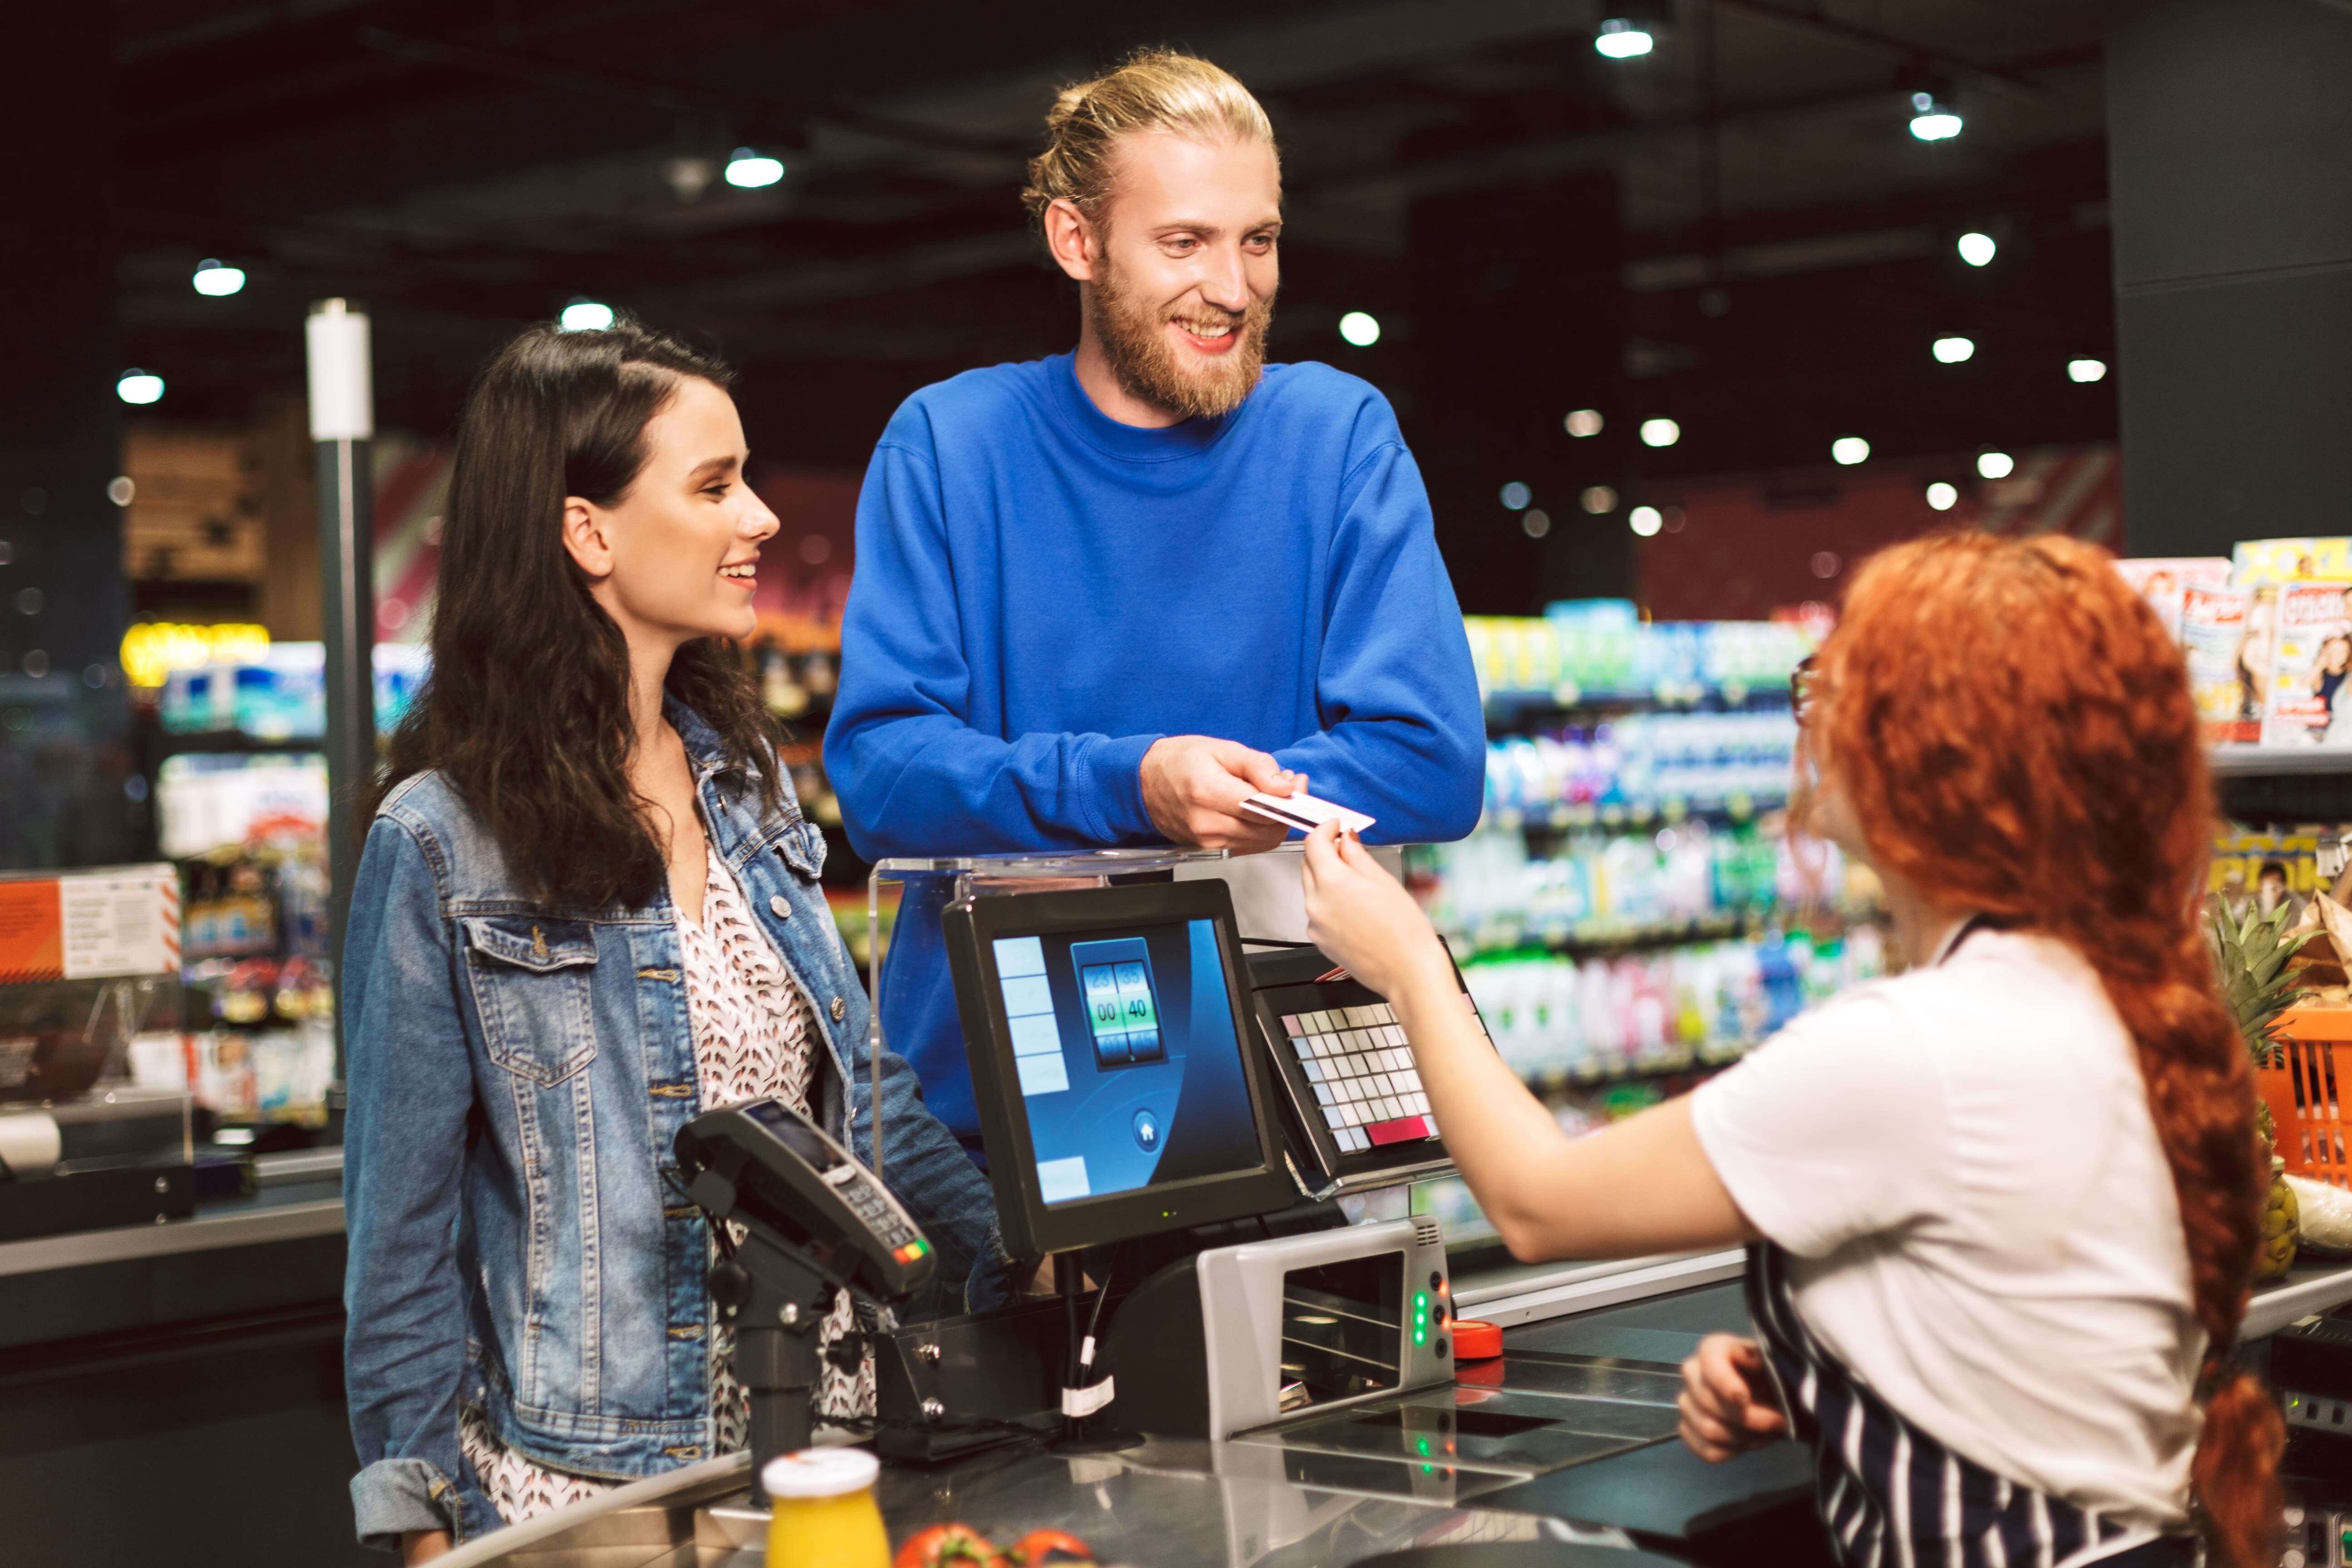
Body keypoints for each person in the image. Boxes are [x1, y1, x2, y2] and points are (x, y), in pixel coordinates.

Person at [1298, 533, 2282, 1568]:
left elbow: (1537, 1202)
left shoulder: (1916, 1048)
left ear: (1932, 763)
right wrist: (1836, 1377)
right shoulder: (2095, 989)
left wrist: (1409, 963)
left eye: (1841, 692)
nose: (1811, 722)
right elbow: (2034, 1321)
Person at [340, 322, 1016, 1562]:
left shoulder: (744, 794)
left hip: (822, 1462)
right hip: (591, 1503)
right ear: (585, 531)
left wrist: (1025, 1274)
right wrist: (422, 1529)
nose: (760, 517)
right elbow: (400, 1240)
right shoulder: (441, 843)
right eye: (713, 486)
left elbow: (862, 1109)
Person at [823, 49, 1484, 1149]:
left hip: (1285, 1093)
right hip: (988, 1114)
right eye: (1183, 241)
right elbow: (884, 776)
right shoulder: (950, 443)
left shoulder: (1335, 436)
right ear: (1077, 243)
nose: (1231, 288)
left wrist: (1185, 797)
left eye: (1257, 240)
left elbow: (1431, 762)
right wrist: (1133, 783)